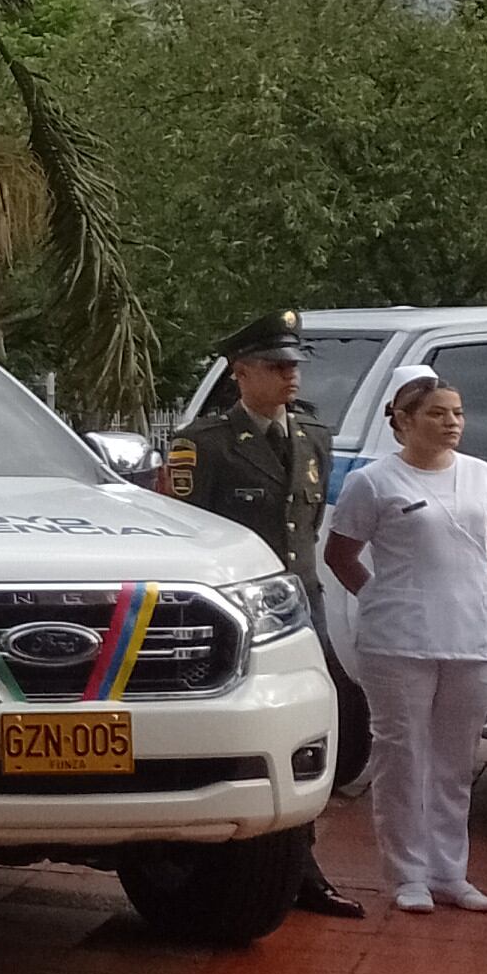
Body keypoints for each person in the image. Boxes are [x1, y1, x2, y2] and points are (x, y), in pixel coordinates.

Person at [165, 310, 365, 919]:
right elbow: (183, 532)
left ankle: (298, 859)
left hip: (301, 603)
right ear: (241, 372)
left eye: (295, 366)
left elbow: (305, 526)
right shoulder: (204, 445)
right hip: (236, 614)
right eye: (278, 367)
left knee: (325, 728)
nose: (291, 377)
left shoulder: (314, 438)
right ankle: (286, 866)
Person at [323, 365, 487, 916]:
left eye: (457, 413)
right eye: (437, 413)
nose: (451, 422)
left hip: (473, 636)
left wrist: (460, 589)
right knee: (402, 754)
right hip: (399, 641)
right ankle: (408, 874)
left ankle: (451, 873)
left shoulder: (481, 475)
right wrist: (385, 598)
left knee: (455, 760)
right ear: (403, 422)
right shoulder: (375, 482)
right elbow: (341, 554)